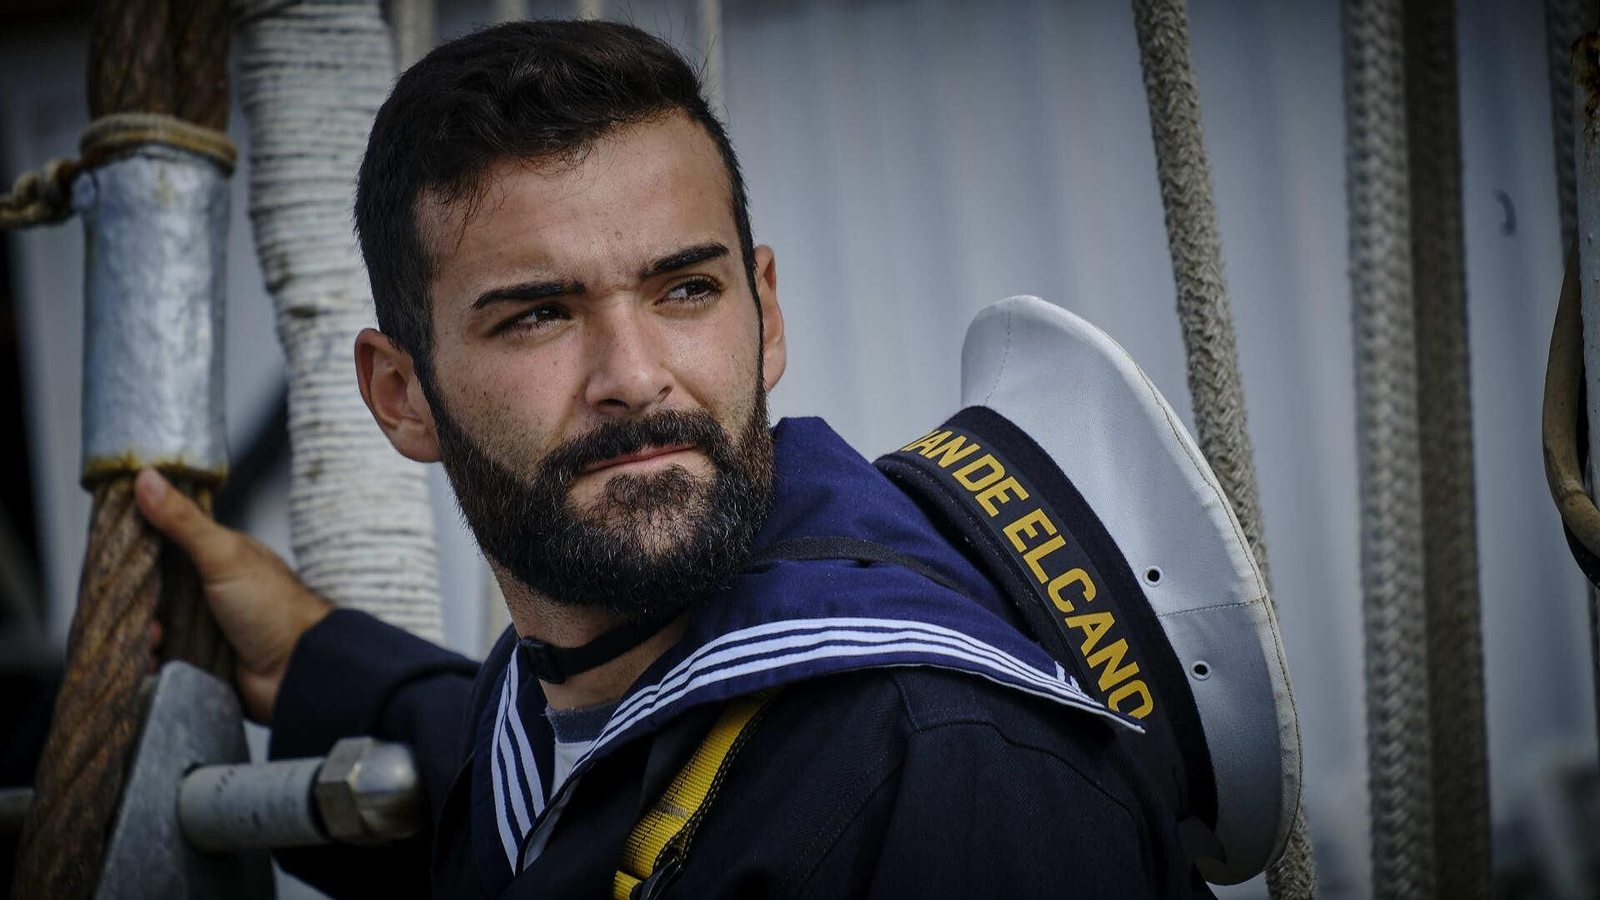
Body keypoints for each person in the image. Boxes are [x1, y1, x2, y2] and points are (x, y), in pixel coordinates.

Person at [134, 19, 1208, 899]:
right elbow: (561, 787)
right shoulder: (582, 686)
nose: (635, 375)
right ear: (400, 396)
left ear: (765, 313)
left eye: (684, 289)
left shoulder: (949, 775)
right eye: (539, 315)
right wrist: (312, 655)